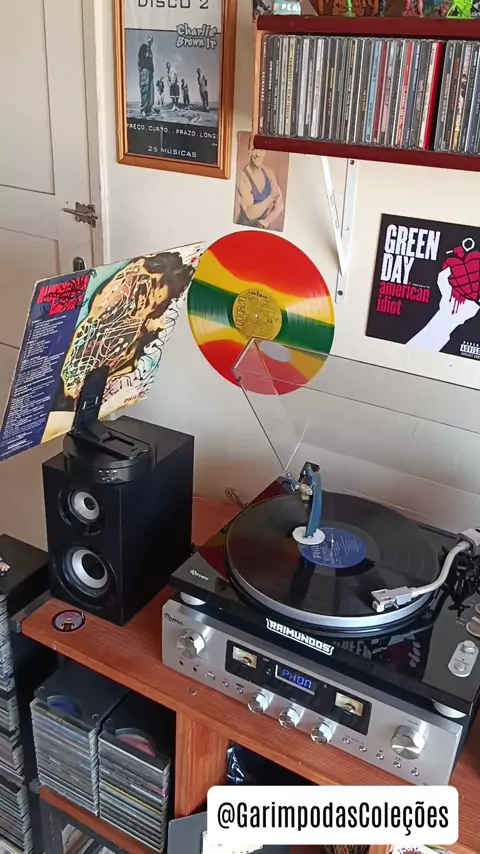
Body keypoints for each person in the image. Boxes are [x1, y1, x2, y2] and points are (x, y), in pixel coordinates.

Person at [236, 145, 284, 230]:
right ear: (249, 151)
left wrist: (267, 221)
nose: (257, 154)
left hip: (262, 226)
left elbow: (280, 205)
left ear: (265, 152)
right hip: (244, 228)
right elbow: (250, 214)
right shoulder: (242, 176)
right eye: (254, 149)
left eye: (261, 150)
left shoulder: (269, 173)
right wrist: (271, 198)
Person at [138, 34, 155, 118]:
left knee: (151, 91)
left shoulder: (150, 50)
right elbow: (139, 59)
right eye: (149, 38)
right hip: (145, 70)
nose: (150, 39)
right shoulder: (144, 47)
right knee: (145, 90)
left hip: (150, 72)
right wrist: (141, 69)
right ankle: (143, 110)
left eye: (152, 38)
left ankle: (149, 109)